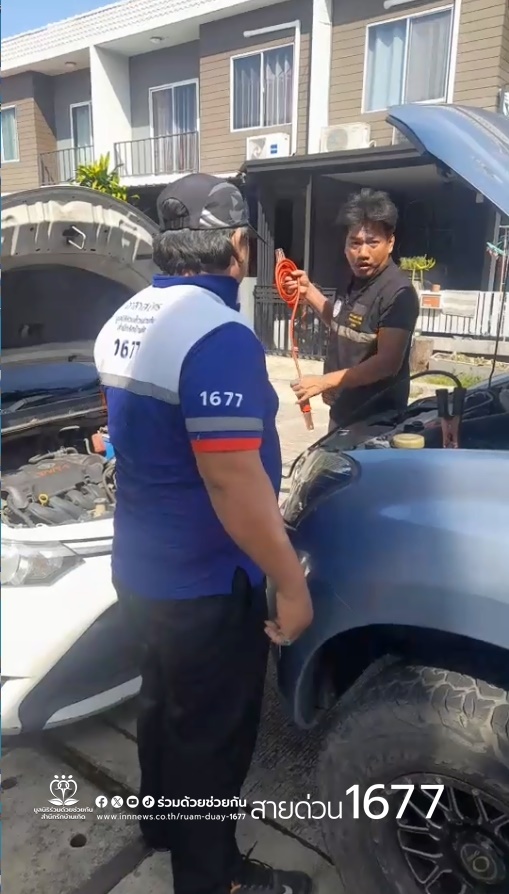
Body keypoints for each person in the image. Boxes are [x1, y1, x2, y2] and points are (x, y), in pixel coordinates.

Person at [93, 173, 313, 894]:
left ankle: (162, 825)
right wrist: (290, 583)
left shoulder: (126, 317)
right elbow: (232, 482)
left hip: (141, 568)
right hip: (206, 582)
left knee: (162, 703)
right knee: (212, 735)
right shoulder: (217, 334)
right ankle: (212, 877)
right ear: (238, 245)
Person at [286, 188, 419, 437]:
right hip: (343, 412)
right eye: (355, 243)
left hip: (376, 422)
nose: (363, 253)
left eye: (372, 242)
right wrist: (308, 291)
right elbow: (341, 321)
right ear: (345, 245)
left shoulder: (398, 293)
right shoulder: (352, 279)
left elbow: (387, 363)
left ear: (390, 243)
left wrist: (324, 381)